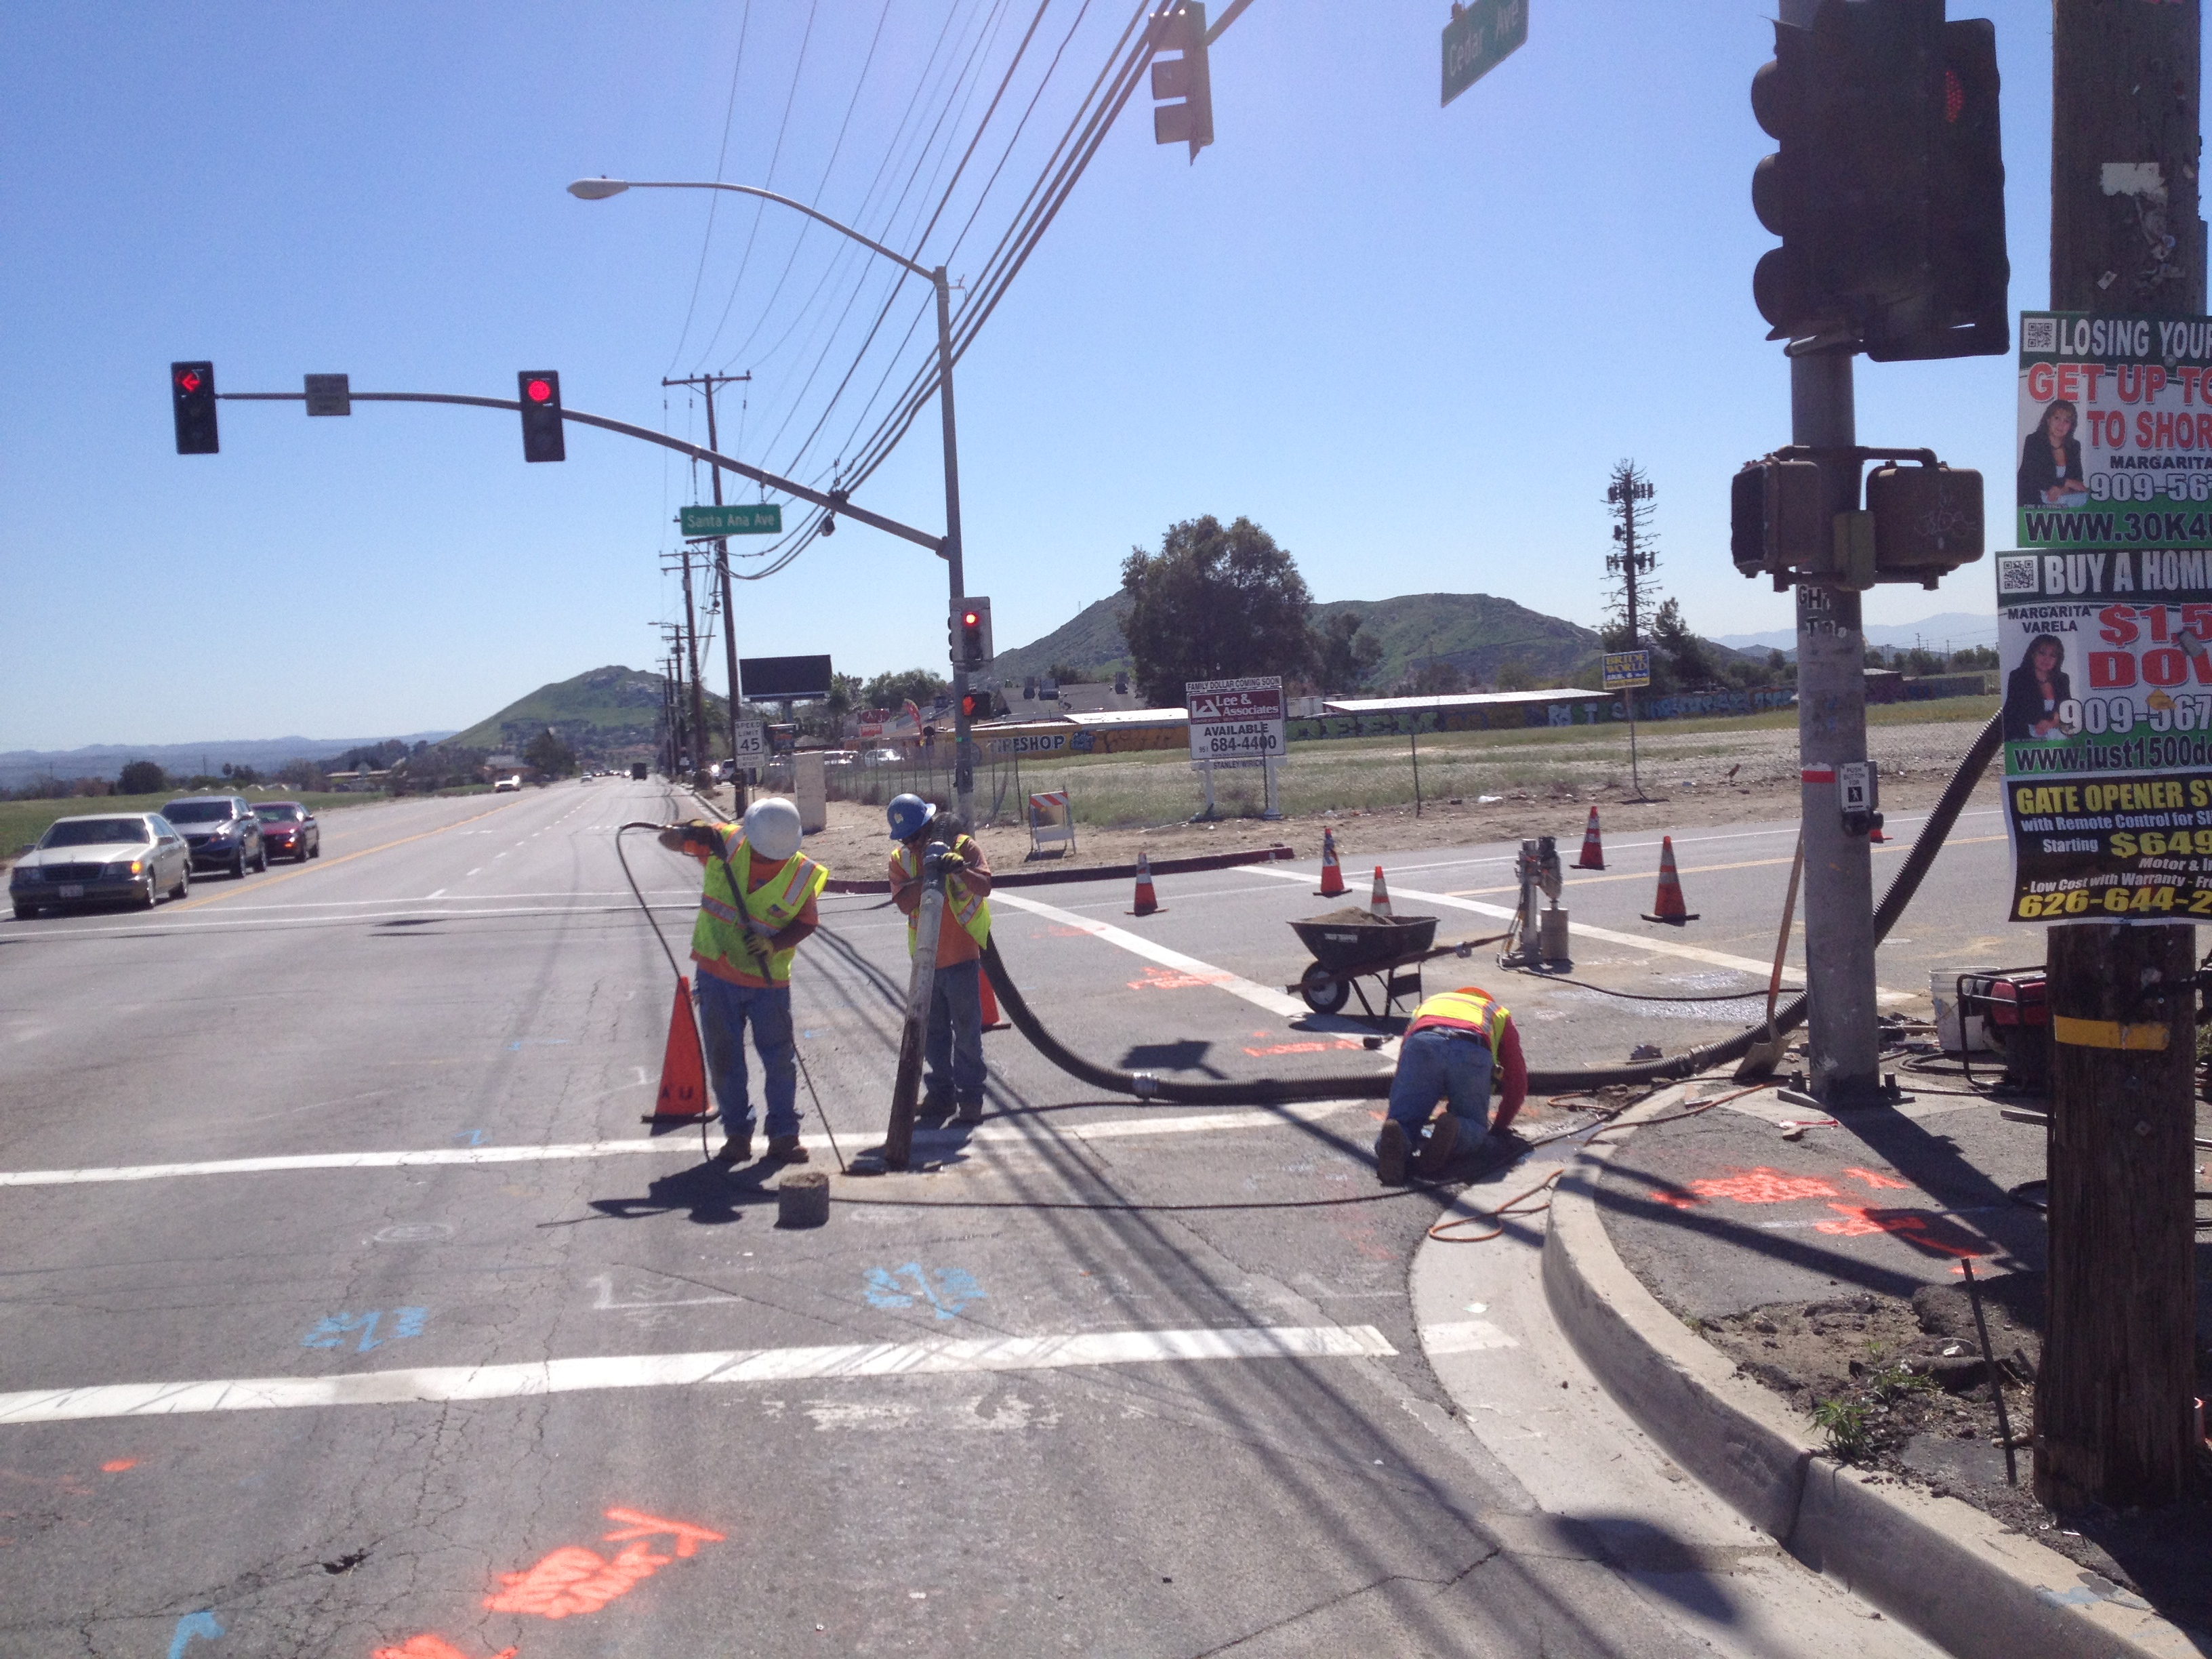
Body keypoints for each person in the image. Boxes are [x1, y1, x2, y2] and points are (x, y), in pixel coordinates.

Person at [660, 796, 829, 1166]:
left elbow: (806, 923)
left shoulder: (802, 873)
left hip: (769, 983)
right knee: (725, 1059)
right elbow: (668, 840)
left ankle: (784, 1134)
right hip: (717, 972)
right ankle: (737, 1134)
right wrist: (691, 831)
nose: (772, 860)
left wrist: (772, 945)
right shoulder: (727, 842)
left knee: (779, 1061)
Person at [886, 793, 993, 1123]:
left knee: (967, 1035)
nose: (911, 844)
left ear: (929, 825)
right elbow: (905, 904)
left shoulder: (964, 847)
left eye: (915, 837)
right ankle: (941, 1096)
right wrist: (931, 872)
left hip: (961, 956)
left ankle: (971, 1099)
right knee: (932, 1036)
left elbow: (986, 886)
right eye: (905, 839)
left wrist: (958, 870)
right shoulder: (901, 859)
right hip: (926, 963)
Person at [1375, 985, 1526, 1184]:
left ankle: (1399, 1137)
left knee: (1404, 1120)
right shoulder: (1498, 1012)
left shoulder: (1430, 1003)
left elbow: (1405, 1057)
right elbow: (1517, 1079)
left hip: (1423, 1043)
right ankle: (1456, 1131)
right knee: (1472, 1124)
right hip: (1471, 1046)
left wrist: (1403, 1104)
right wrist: (1499, 1127)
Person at [2001, 634, 2072, 742]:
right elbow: (2013, 711)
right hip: (2025, 737)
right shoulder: (2018, 677)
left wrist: (2054, 721)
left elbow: (2069, 709)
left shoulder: (2063, 679)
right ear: (2033, 654)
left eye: (2053, 655)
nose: (2047, 659)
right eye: (2042, 653)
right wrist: (2041, 721)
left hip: (2058, 736)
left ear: (2058, 659)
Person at [2017, 400, 2087, 506]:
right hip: (2034, 497)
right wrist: (2065, 482)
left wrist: (2061, 489)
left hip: (2062, 495)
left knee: (2083, 497)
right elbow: (2033, 476)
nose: (2061, 425)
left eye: (2067, 421)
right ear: (2048, 420)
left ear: (2071, 426)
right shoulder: (2034, 440)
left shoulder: (2074, 446)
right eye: (2057, 418)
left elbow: (2078, 481)